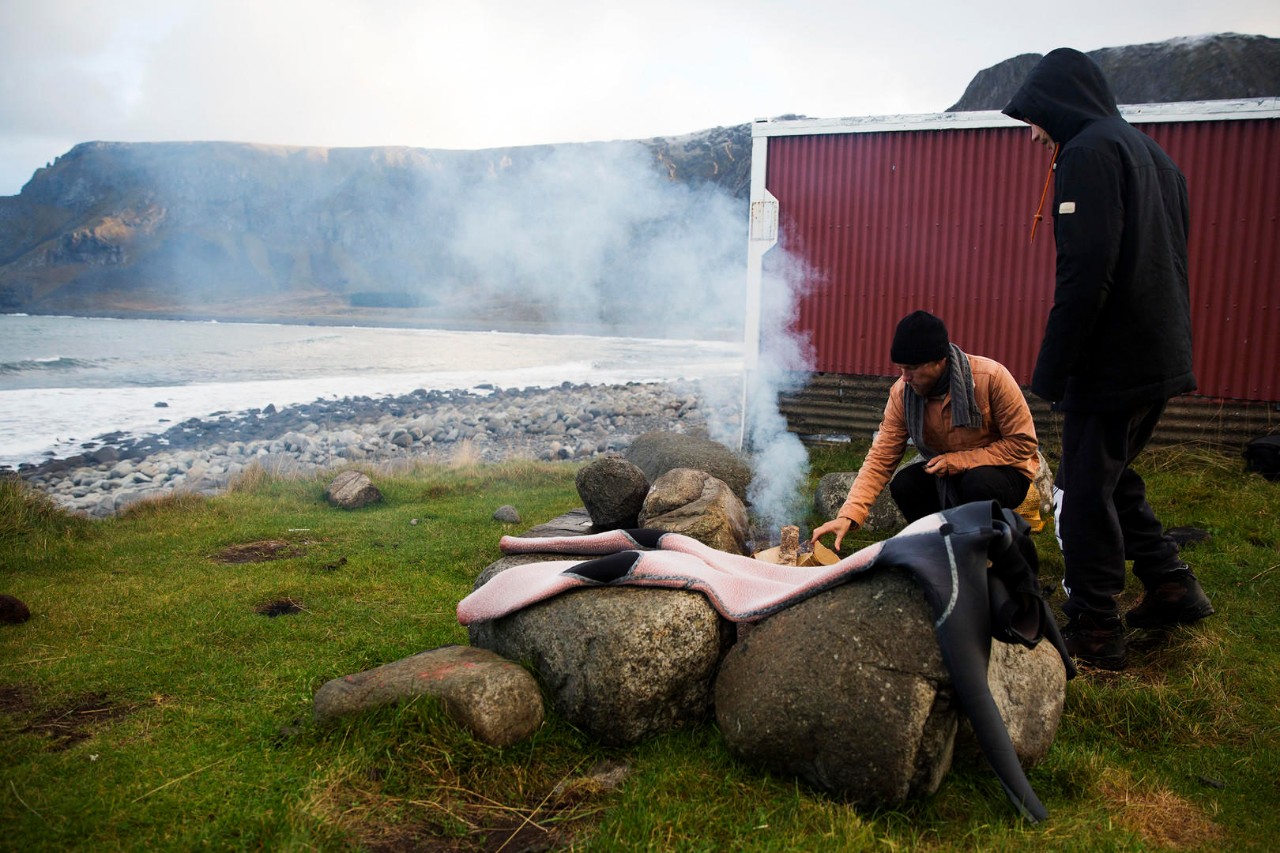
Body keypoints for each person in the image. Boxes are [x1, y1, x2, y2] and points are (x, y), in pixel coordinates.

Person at [1002, 48, 1213, 670]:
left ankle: (1096, 628)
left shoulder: (1088, 153)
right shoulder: (1155, 157)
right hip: (1160, 352)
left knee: (1084, 490)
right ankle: (1172, 586)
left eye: (1035, 120)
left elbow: (1085, 272)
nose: (1035, 135)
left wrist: (1054, 368)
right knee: (1111, 476)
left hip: (1114, 361)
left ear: (1058, 105)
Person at [811, 310, 1039, 551]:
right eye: (900, 368)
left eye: (912, 368)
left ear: (939, 361)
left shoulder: (990, 377)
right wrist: (849, 515)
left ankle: (992, 550)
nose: (905, 377)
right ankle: (942, 549)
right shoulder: (902, 394)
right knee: (905, 484)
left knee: (977, 482)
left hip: (1004, 472)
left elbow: (1022, 443)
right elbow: (881, 457)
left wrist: (959, 461)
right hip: (948, 473)